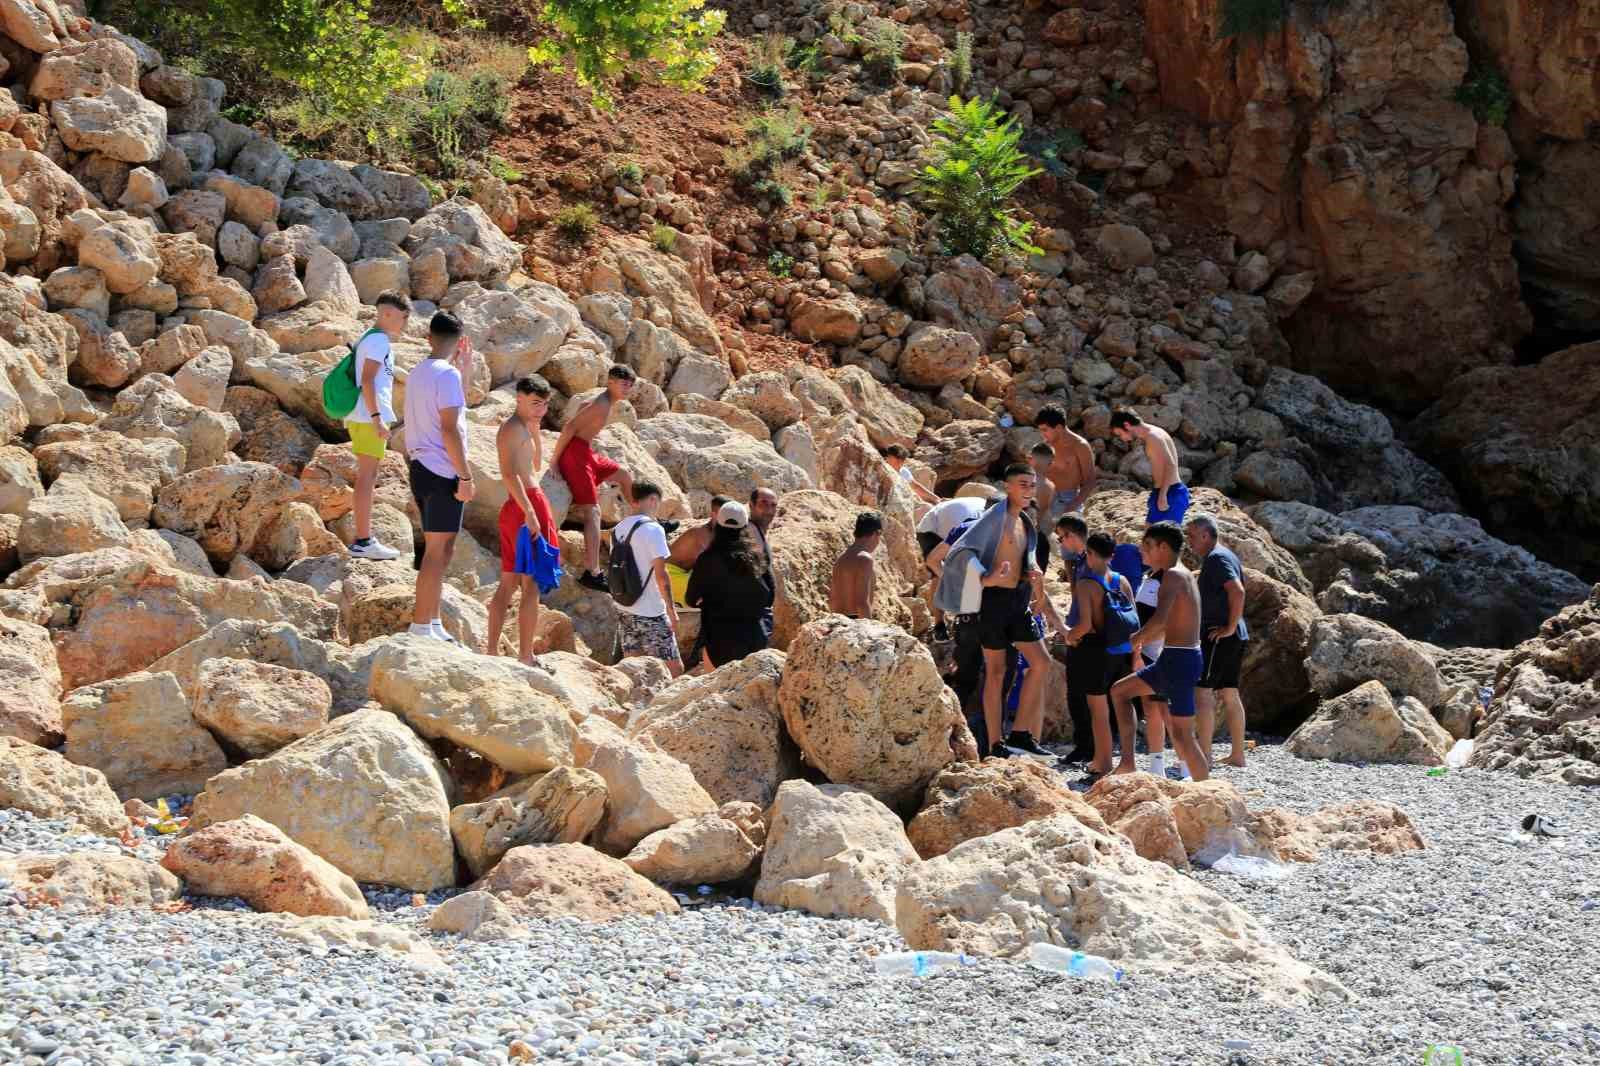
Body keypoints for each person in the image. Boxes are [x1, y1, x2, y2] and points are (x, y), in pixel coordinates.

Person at [934, 463, 1053, 760]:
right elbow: (960, 553)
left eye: (1032, 485)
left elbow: (1025, 561)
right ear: (1008, 486)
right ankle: (997, 742)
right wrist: (986, 578)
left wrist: (1036, 585)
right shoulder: (993, 519)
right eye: (1023, 484)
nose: (1029, 490)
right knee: (996, 673)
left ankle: (1021, 735)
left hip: (1018, 602)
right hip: (992, 604)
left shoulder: (1024, 522)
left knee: (1041, 662)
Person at [1109, 522, 1209, 780]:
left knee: (1183, 735)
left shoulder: (1173, 575)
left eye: (1147, 546)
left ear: (1163, 547)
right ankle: (1129, 763)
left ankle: (1207, 789)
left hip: (1178, 659)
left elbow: (1161, 620)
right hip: (1176, 658)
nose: (1143, 552)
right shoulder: (1183, 574)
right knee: (1120, 692)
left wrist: (1133, 642)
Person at [403, 312, 475, 642]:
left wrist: (465, 372)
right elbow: (450, 430)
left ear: (428, 338)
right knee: (436, 551)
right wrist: (465, 476)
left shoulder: (420, 372)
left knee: (442, 549)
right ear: (460, 342)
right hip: (443, 470)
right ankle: (421, 625)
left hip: (420, 467)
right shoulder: (447, 376)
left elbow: (453, 413)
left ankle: (431, 622)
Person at [488, 376, 558, 667]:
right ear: (518, 398)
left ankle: (494, 651)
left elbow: (537, 464)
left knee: (510, 581)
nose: (540, 410)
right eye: (534, 404)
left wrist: (537, 428)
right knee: (529, 584)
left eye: (544, 404)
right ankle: (524, 655)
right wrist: (529, 511)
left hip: (526, 502)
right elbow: (508, 473)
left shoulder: (527, 425)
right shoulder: (510, 429)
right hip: (523, 505)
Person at [1055, 533, 1137, 777]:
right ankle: (1128, 760)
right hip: (1121, 650)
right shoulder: (1122, 581)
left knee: (1098, 709)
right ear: (1112, 555)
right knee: (1124, 705)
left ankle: (1102, 762)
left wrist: (1068, 636)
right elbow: (1134, 620)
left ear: (1090, 554)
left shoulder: (1086, 583)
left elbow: (1085, 625)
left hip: (1095, 651)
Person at [552, 364, 637, 591]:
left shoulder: (605, 402)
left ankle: (643, 519)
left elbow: (582, 407)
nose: (627, 388)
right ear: (610, 382)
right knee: (593, 511)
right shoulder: (601, 404)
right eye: (623, 383)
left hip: (586, 452)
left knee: (624, 475)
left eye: (630, 384)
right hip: (575, 456)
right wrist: (554, 461)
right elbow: (570, 427)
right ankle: (592, 572)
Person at [345, 291, 409, 561]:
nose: (404, 324)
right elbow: (368, 381)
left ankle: (363, 539)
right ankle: (363, 541)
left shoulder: (369, 338)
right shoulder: (379, 341)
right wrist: (376, 417)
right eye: (403, 318)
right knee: (367, 478)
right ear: (387, 314)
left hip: (359, 415)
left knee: (365, 477)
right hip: (368, 417)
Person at [1186, 512, 1250, 770]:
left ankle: (1205, 756)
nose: (1189, 541)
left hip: (1218, 635)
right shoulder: (1225, 555)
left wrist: (1228, 626)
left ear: (1204, 534)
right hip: (1234, 635)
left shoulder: (1216, 558)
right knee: (1230, 693)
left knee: (1203, 691)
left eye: (1191, 536)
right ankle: (1237, 755)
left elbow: (1237, 590)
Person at [685, 501, 775, 667]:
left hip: (718, 641)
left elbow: (690, 598)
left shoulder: (707, 559)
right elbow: (770, 596)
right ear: (745, 526)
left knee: (717, 689)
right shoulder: (756, 557)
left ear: (718, 524)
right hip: (755, 639)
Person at [1037, 514, 1094, 765]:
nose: (1060, 543)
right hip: (1080, 632)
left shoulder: (1090, 561)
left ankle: (1089, 748)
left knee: (1084, 694)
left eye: (1061, 538)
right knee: (1077, 693)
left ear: (1072, 536)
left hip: (1087, 636)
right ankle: (1085, 746)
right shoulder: (1083, 560)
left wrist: (1078, 631)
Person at [612, 481, 682, 676]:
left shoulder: (618, 529)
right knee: (673, 669)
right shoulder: (654, 529)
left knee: (633, 669)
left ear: (633, 501)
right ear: (652, 499)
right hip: (651, 611)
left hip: (624, 607)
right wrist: (671, 610)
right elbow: (661, 574)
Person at [917, 491, 990, 638]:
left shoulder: (992, 520)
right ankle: (939, 625)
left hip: (951, 518)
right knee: (939, 575)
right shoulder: (971, 526)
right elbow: (934, 560)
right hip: (931, 528)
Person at [1109, 409, 1189, 526]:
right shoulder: (1155, 432)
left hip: (1170, 494)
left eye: (1120, 434)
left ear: (1127, 425)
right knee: (1150, 539)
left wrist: (1163, 495)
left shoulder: (1153, 437)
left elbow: (1170, 465)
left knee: (1164, 540)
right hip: (1165, 492)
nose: (1122, 438)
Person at [1134, 564, 1177, 779]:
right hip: (1145, 651)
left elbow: (1166, 622)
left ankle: (1185, 763)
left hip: (1159, 652)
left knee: (1167, 710)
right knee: (1151, 708)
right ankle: (1156, 764)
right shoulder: (1148, 577)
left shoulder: (1170, 579)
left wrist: (1139, 644)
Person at [1034, 405, 1098, 518]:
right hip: (1044, 498)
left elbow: (1090, 481)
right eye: (1040, 430)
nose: (1042, 434)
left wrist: (1072, 507)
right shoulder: (1046, 444)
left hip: (1068, 499)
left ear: (1058, 428)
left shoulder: (1080, 446)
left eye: (1045, 430)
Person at [829, 511, 880, 619]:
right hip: (857, 621)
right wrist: (868, 629)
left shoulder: (841, 559)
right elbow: (862, 603)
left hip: (838, 621)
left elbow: (833, 600)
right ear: (876, 533)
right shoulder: (864, 559)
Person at [1028, 441, 1057, 574]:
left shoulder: (1017, 479)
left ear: (1030, 459)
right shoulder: (1048, 486)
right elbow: (1039, 516)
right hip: (1036, 536)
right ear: (1050, 464)